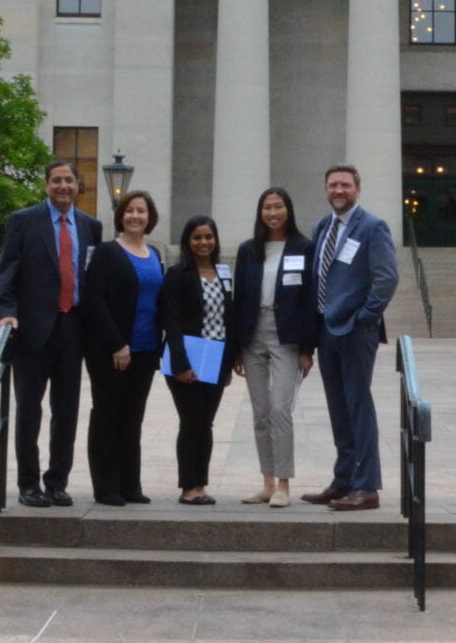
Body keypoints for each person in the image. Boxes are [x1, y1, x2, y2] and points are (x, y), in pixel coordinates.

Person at [0, 159, 104, 508]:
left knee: (67, 410)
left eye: (69, 180)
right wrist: (6, 313)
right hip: (32, 330)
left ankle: (57, 481)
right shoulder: (23, 221)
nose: (63, 186)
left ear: (77, 186)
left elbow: (93, 278)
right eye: (56, 180)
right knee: (29, 410)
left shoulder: (91, 226)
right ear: (46, 185)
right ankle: (28, 484)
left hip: (74, 328)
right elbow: (6, 273)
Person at [302, 163, 399, 512]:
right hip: (326, 330)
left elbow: (386, 278)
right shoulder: (322, 227)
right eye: (332, 185)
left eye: (344, 185)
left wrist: (364, 319)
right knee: (338, 409)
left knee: (358, 406)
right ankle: (343, 480)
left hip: (356, 332)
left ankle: (367, 487)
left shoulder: (372, 227)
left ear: (357, 189)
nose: (338, 191)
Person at [230, 187, 317, 508]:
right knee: (261, 412)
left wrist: (308, 348)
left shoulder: (304, 247)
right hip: (253, 335)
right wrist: (237, 347)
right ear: (260, 212)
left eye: (278, 206)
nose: (272, 213)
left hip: (288, 335)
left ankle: (284, 483)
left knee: (281, 409)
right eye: (267, 207)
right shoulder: (248, 250)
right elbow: (239, 299)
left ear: (288, 210)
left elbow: (310, 300)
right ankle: (267, 481)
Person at [82, 189, 164, 506]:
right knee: (107, 416)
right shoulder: (106, 252)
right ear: (121, 216)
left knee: (132, 419)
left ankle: (131, 484)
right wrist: (117, 343)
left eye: (141, 211)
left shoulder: (154, 254)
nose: (135, 216)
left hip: (145, 351)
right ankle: (106, 486)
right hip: (112, 351)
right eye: (130, 211)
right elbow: (95, 302)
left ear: (150, 217)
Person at [158, 214, 234, 505]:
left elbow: (230, 318)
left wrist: (228, 363)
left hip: (215, 356)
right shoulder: (178, 274)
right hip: (187, 356)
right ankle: (188, 487)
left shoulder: (224, 272)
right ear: (188, 242)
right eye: (197, 238)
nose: (204, 243)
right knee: (191, 421)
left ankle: (201, 484)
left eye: (209, 237)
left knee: (206, 423)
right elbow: (172, 321)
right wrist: (181, 363)